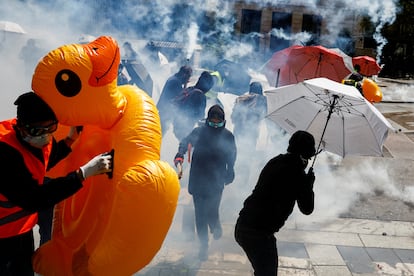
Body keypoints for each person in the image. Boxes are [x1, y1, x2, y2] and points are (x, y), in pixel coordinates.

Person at [0, 92, 113, 276]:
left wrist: (69, 141)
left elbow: (43, 162)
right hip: (3, 239)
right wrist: (82, 174)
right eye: (38, 131)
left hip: (21, 230)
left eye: (51, 128)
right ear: (20, 127)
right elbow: (35, 198)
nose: (45, 136)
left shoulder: (41, 138)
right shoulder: (4, 152)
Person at [234, 130, 316, 276]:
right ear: (305, 155)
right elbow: (307, 208)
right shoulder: (297, 175)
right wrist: (308, 185)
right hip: (259, 234)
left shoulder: (275, 161)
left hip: (243, 224)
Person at [174, 104, 237, 261]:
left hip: (216, 180)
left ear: (223, 121)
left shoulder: (228, 136)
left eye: (218, 121)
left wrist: (230, 170)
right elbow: (185, 142)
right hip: (198, 178)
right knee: (199, 214)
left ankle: (216, 225)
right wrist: (179, 154)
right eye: (212, 120)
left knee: (212, 211)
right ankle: (204, 246)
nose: (215, 124)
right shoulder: (199, 132)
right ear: (208, 119)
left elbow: (232, 155)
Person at [171, 71, 214, 141]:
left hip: (176, 123)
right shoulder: (201, 96)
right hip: (186, 128)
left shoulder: (190, 89)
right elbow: (200, 116)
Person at [156, 65, 193, 136]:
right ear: (184, 75)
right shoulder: (175, 82)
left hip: (164, 109)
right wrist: (185, 86)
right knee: (161, 132)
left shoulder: (174, 79)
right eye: (188, 77)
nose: (188, 79)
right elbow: (180, 97)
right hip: (165, 110)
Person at [231, 81, 267, 150]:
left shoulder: (240, 99)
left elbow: (233, 118)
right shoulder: (262, 100)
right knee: (249, 152)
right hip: (252, 131)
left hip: (238, 129)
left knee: (237, 150)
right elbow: (266, 114)